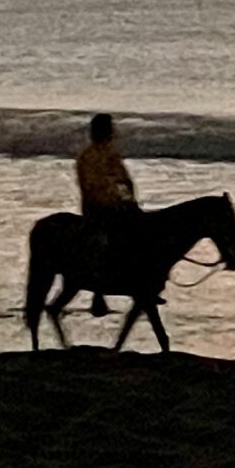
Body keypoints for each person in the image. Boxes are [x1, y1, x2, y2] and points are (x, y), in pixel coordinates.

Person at [76, 111, 140, 316]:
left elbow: (124, 179)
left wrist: (128, 199)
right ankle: (98, 291)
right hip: (97, 207)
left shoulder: (111, 153)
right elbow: (92, 187)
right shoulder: (88, 157)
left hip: (118, 205)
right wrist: (115, 198)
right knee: (102, 241)